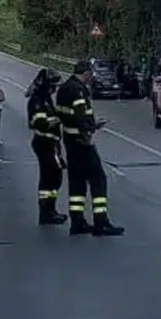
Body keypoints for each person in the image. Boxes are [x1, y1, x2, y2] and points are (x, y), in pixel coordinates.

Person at [55, 60, 124, 236]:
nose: (91, 77)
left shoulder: (63, 89)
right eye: (90, 74)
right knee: (98, 179)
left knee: (77, 182)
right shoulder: (79, 90)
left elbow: (66, 115)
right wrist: (88, 133)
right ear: (86, 73)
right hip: (82, 142)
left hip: (69, 142)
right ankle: (101, 223)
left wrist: (92, 124)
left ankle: (77, 222)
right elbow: (79, 115)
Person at [26, 68, 68, 225]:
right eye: (53, 85)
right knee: (48, 178)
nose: (55, 88)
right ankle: (45, 212)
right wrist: (59, 120)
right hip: (44, 143)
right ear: (46, 84)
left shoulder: (46, 99)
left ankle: (51, 210)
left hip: (52, 143)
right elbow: (39, 123)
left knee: (55, 177)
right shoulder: (38, 100)